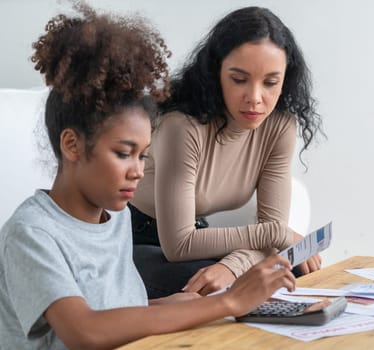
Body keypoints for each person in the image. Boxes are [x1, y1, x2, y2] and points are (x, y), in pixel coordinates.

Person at [0, 3, 295, 349]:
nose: (139, 170)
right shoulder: (32, 233)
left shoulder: (115, 219)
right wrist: (227, 301)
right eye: (124, 154)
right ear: (72, 145)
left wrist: (167, 306)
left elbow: (116, 313)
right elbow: (84, 331)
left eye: (142, 155)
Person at [130, 6, 323, 298]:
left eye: (270, 82)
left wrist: (234, 265)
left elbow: (273, 230)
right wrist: (275, 235)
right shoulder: (181, 126)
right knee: (204, 285)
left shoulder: (280, 126)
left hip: (199, 238)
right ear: (216, 72)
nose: (255, 98)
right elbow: (179, 244)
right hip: (136, 239)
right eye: (239, 79)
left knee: (289, 269)